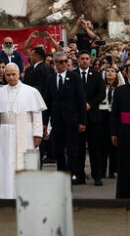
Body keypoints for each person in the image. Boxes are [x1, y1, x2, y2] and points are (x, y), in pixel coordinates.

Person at [0, 64, 47, 198]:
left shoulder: (31, 92)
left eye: (14, 74)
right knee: (6, 163)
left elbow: (37, 115)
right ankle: (5, 193)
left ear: (19, 74)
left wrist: (37, 134)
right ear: (5, 75)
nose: (11, 77)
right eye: (8, 74)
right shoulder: (0, 93)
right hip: (5, 134)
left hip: (26, 132)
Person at [43, 51, 87, 185]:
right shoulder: (50, 79)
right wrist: (45, 123)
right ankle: (62, 173)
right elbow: (47, 102)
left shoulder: (74, 77)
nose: (63, 64)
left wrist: (82, 121)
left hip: (72, 120)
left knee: (73, 150)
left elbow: (81, 100)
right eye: (60, 62)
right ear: (55, 63)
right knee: (58, 150)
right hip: (57, 121)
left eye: (65, 62)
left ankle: (73, 174)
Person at [76, 52, 105, 186]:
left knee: (95, 148)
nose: (85, 61)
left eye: (87, 59)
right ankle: (80, 176)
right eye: (82, 59)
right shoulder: (73, 75)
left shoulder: (97, 75)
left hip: (93, 117)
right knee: (79, 149)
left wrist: (90, 104)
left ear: (90, 60)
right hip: (78, 117)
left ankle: (97, 176)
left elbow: (101, 94)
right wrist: (81, 106)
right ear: (78, 60)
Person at [110, 64, 130, 198]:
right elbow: (115, 114)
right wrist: (114, 133)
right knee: (125, 165)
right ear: (126, 74)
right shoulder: (120, 90)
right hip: (125, 133)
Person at [99, 67, 120, 180]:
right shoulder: (102, 86)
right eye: (108, 71)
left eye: (112, 71)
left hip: (114, 115)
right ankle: (102, 170)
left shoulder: (119, 88)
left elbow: (121, 79)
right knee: (103, 145)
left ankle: (112, 170)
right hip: (103, 114)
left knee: (114, 145)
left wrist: (118, 70)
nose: (110, 73)